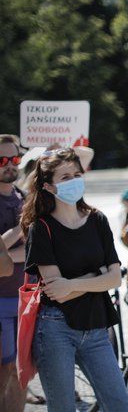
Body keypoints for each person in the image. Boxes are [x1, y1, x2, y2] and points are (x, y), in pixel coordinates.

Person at [20, 147, 128, 411]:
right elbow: (57, 292)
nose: (74, 181)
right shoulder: (41, 228)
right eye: (65, 177)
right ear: (49, 187)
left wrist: (73, 284)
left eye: (77, 174)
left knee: (120, 405)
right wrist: (96, 278)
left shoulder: (98, 220)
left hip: (96, 329)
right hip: (55, 329)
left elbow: (115, 279)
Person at [0, 134, 27, 410]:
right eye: (2, 160)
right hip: (1, 303)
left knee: (22, 375)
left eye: (14, 159)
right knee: (3, 374)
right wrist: (21, 230)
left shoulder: (24, 197)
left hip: (26, 301)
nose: (9, 165)